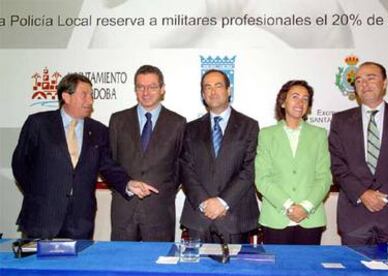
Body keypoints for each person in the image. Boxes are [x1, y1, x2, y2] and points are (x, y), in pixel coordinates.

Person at [12, 73, 144, 240]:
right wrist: (41, 194)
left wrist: (128, 183)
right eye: (84, 94)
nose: (90, 100)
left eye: (91, 95)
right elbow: (20, 165)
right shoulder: (39, 124)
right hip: (41, 218)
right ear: (66, 97)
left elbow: (108, 166)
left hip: (80, 222)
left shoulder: (98, 131)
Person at [329, 61, 388, 245]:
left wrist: (384, 195)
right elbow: (337, 164)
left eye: (371, 78)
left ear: (385, 83)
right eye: (358, 81)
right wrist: (363, 193)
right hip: (355, 218)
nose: (364, 84)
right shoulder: (340, 121)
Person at [180, 69, 259, 244]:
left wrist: (222, 202)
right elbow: (186, 169)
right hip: (199, 217)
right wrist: (205, 203)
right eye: (207, 87)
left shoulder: (249, 126)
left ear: (228, 91)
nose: (213, 91)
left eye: (218, 86)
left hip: (236, 216)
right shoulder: (190, 129)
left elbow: (249, 169)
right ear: (202, 94)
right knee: (197, 271)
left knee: (235, 271)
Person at [109, 65, 186, 242]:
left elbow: (180, 166)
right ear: (135, 89)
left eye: (152, 87)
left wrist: (164, 191)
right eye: (140, 87)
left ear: (162, 89)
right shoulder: (118, 120)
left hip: (159, 211)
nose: (146, 92)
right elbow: (110, 163)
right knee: (122, 265)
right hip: (124, 209)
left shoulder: (178, 123)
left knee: (158, 266)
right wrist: (126, 186)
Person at [255, 80, 332, 245]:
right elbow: (262, 178)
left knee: (307, 270)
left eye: (305, 99)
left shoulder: (319, 135)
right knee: (276, 270)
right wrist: (288, 205)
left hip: (310, 218)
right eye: (295, 97)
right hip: (276, 217)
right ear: (283, 102)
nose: (300, 102)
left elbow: (324, 177)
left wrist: (305, 206)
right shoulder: (266, 135)